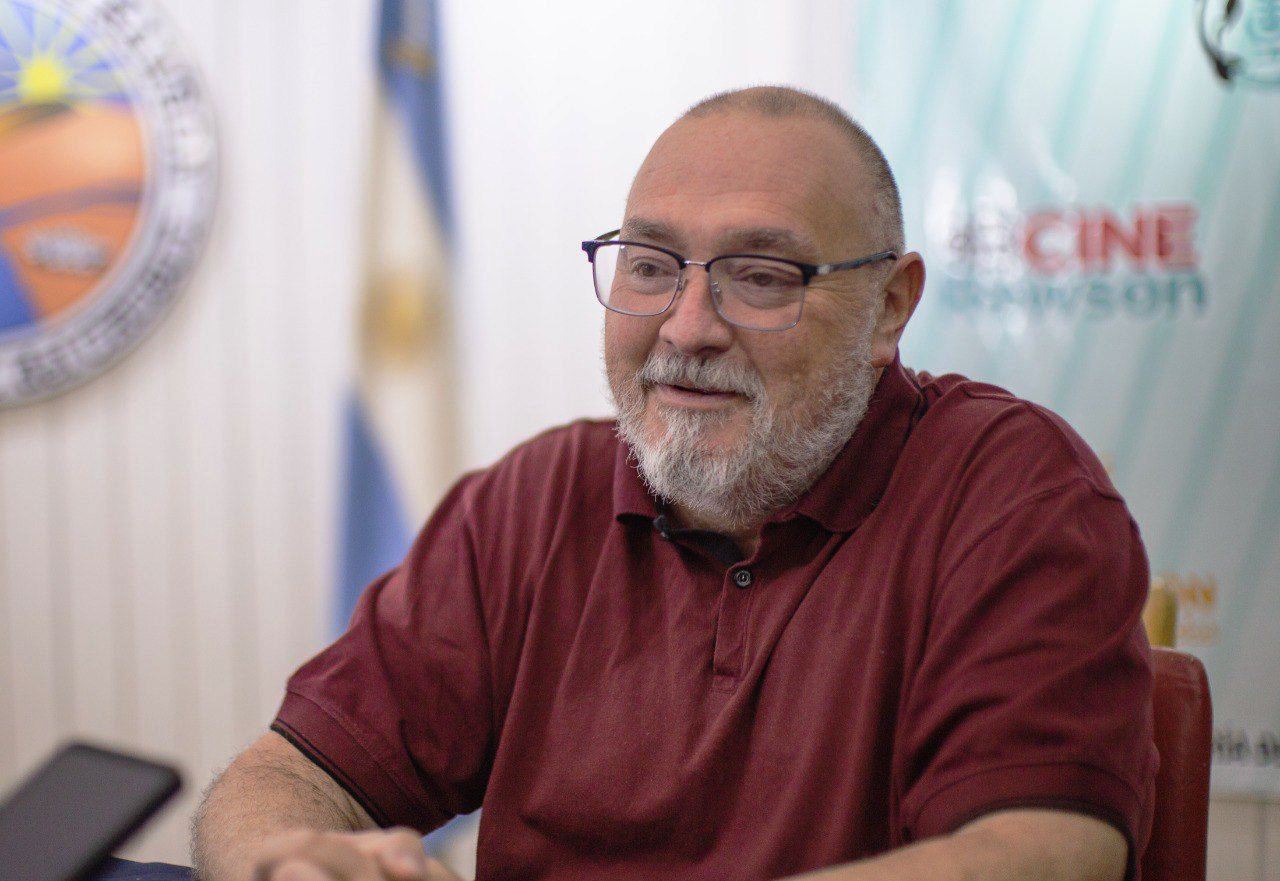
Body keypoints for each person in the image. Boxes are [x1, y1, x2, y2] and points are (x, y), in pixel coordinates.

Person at [191, 86, 1155, 881]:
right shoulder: (532, 502)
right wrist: (289, 863)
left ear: (889, 306)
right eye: (651, 266)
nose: (688, 327)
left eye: (761, 275)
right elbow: (283, 776)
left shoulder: (1012, 495)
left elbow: (1040, 853)